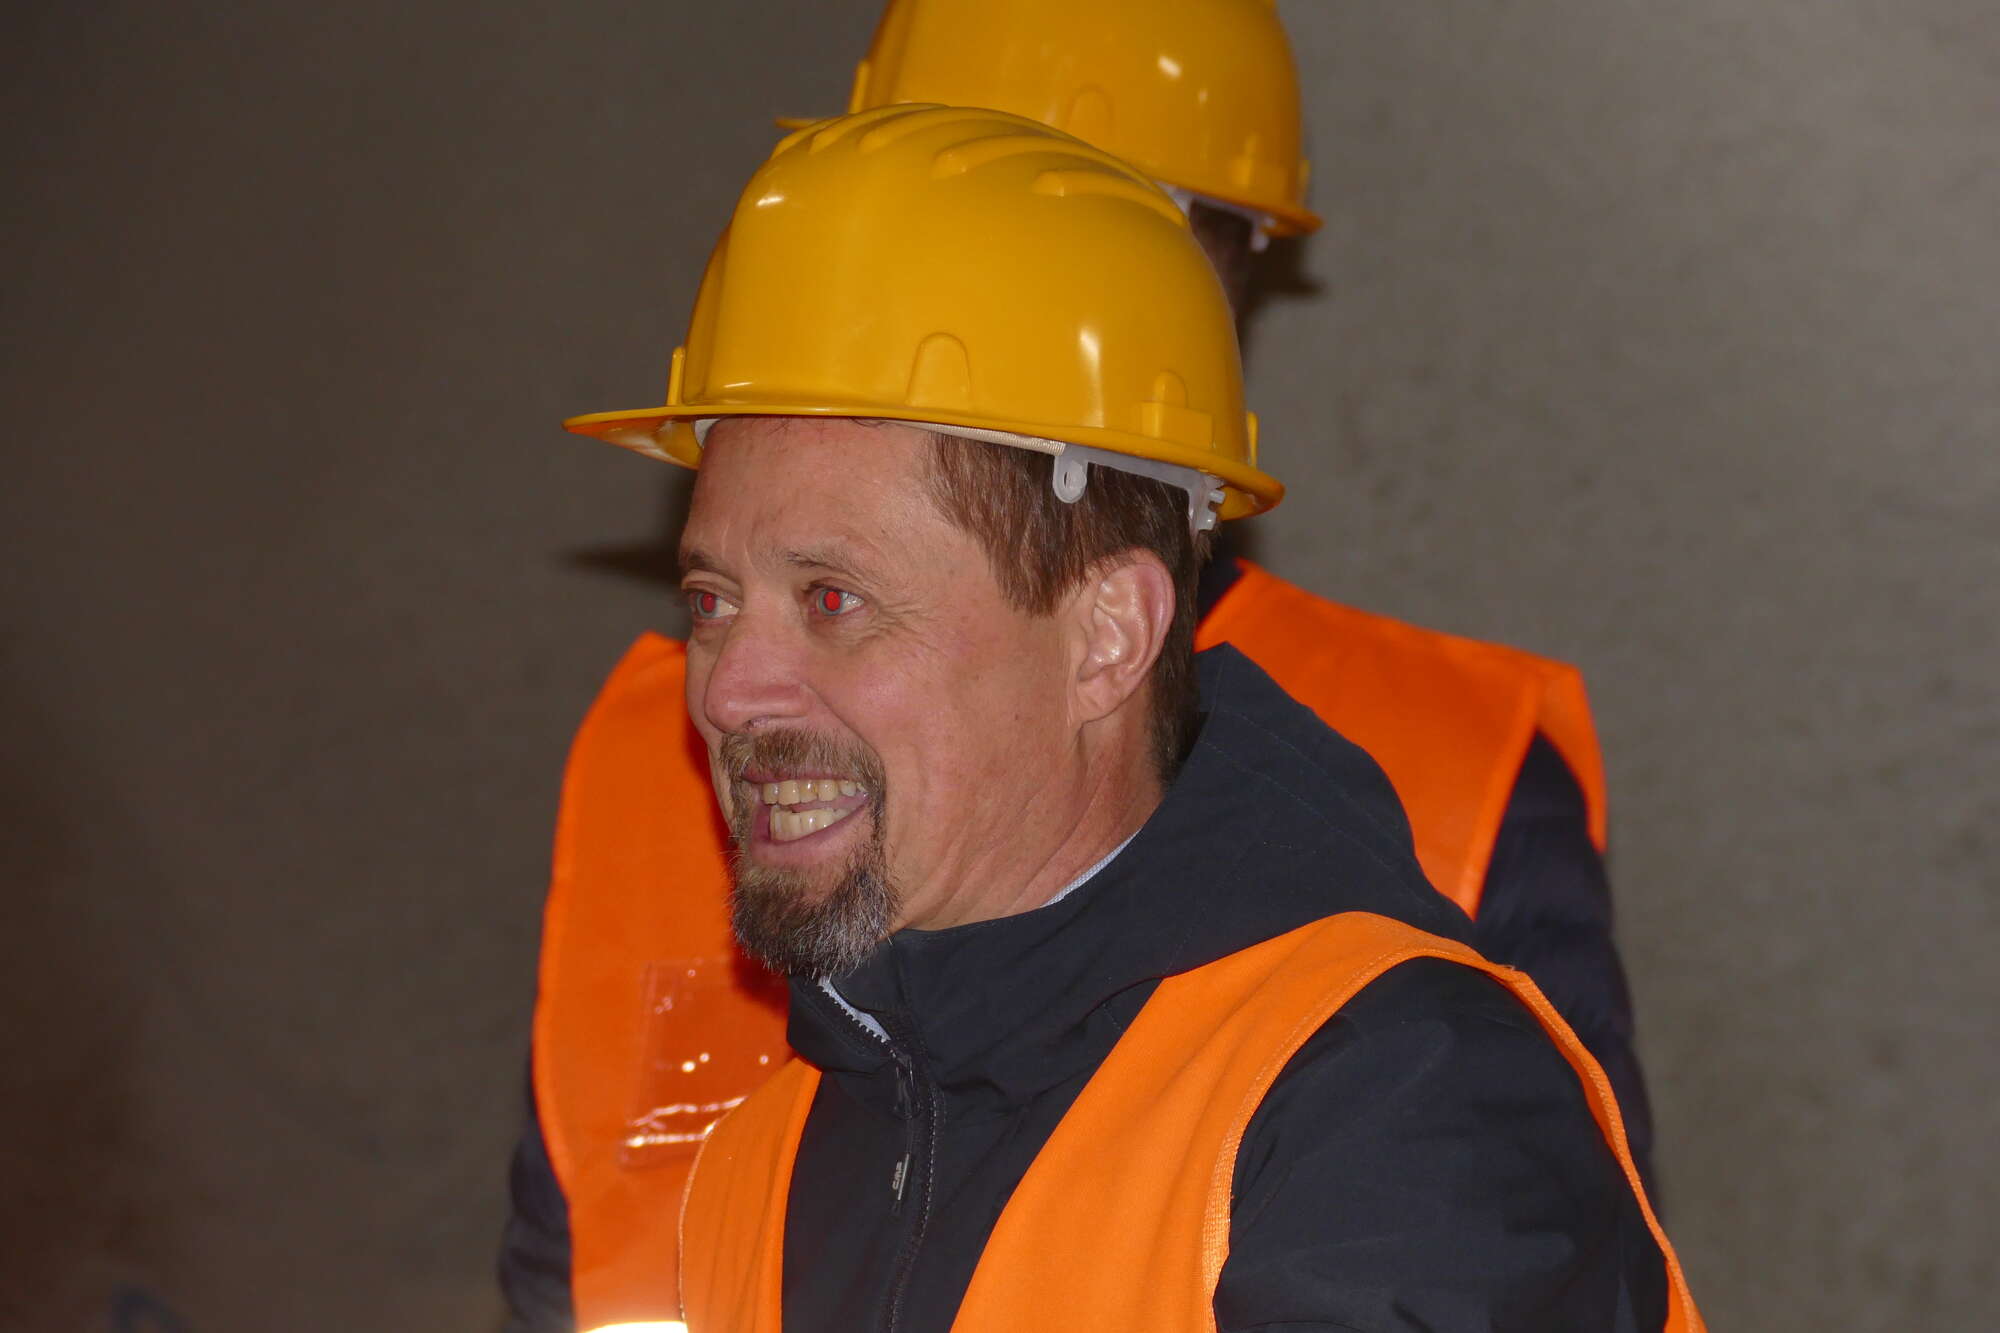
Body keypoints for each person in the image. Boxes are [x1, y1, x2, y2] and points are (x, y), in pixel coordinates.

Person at [506, 4, 1654, 1328]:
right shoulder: (770, 1164)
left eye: (834, 599)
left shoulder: (1397, 1112)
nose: (726, 689)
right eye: (709, 600)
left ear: (1109, 634)